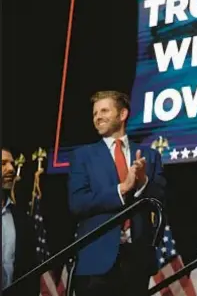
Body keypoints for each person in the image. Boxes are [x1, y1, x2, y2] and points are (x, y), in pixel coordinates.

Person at [68, 90, 167, 296]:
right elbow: (78, 202)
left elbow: (160, 200)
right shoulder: (83, 156)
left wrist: (142, 182)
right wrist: (121, 189)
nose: (98, 117)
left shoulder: (150, 156)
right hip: (96, 261)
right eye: (95, 113)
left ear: (122, 115)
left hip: (137, 261)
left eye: (104, 110)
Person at [2, 147, 39, 296]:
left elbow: (29, 273)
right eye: (3, 163)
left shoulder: (23, 220)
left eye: (11, 163)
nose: (11, 168)